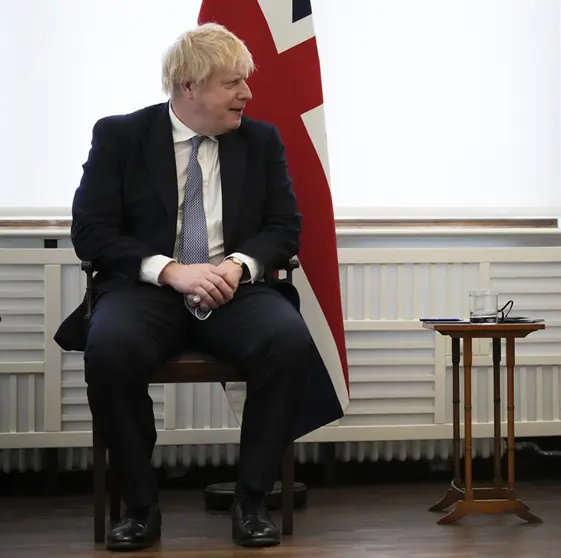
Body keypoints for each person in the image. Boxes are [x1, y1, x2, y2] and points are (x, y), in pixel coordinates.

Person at [53, 23, 343, 551]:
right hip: (147, 291)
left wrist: (236, 265)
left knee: (289, 342)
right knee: (110, 350)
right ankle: (140, 507)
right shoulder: (120, 136)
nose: (247, 95)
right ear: (190, 86)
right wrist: (168, 269)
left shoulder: (260, 140)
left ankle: (252, 499)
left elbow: (283, 228)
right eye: (234, 83)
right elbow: (90, 232)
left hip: (236, 289)